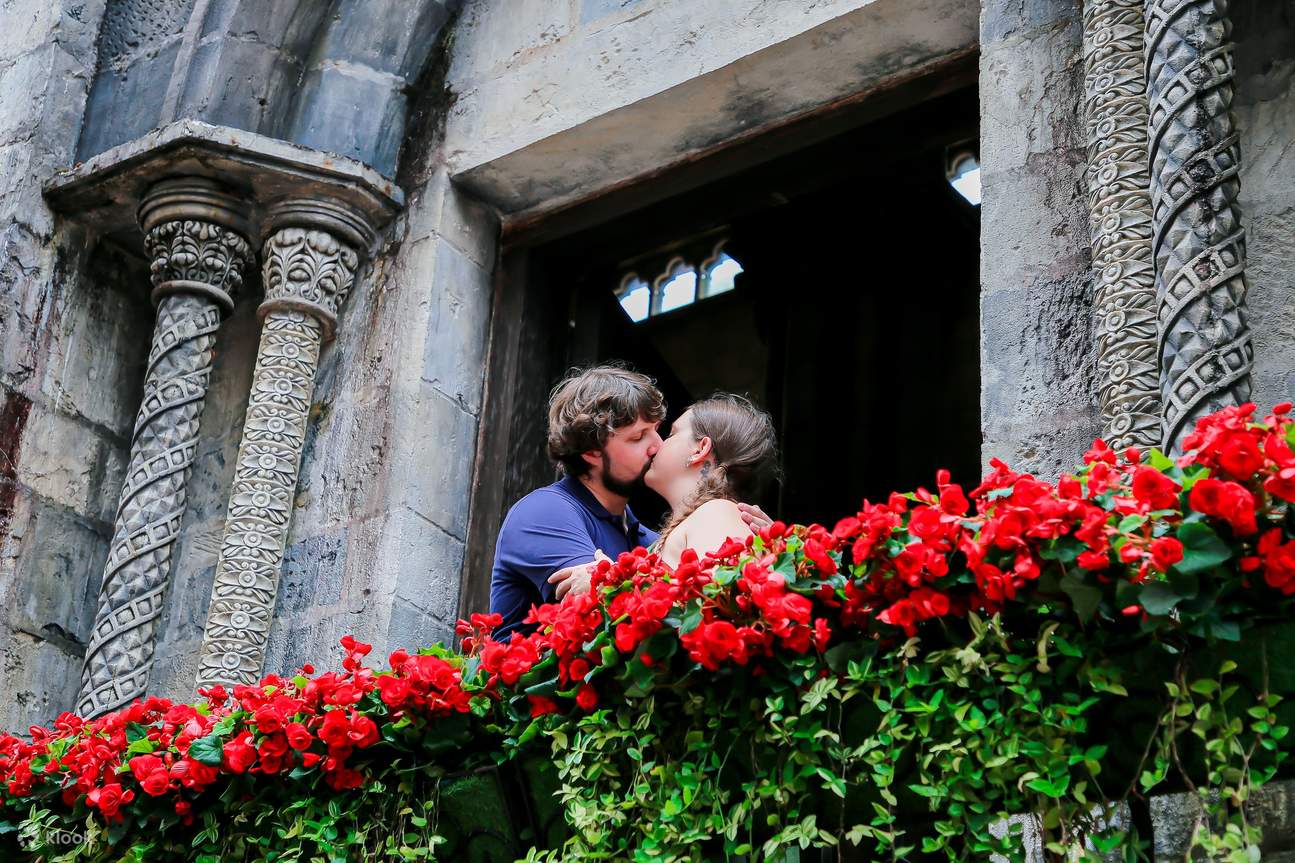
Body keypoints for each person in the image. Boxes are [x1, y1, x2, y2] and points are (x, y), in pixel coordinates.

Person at [488, 365, 769, 640]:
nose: (656, 444)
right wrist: (606, 586)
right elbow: (604, 629)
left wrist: (776, 551)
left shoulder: (650, 541)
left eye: (659, 430)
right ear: (591, 452)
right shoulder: (546, 512)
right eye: (637, 437)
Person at [644, 393, 779, 568]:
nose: (658, 444)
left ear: (700, 450)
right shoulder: (708, 516)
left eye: (671, 434)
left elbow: (728, 594)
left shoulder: (716, 513)